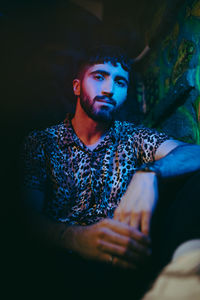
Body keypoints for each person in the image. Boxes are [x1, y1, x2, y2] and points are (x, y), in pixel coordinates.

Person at [21, 45, 200, 297]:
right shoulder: (41, 142)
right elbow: (25, 219)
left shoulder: (132, 136)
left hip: (125, 267)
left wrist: (149, 174)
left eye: (120, 82)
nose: (109, 89)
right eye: (98, 76)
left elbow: (195, 153)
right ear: (76, 86)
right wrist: (77, 238)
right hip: (58, 265)